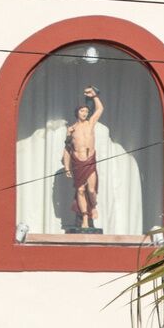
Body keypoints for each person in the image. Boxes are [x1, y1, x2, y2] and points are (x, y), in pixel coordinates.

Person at [61, 87, 105, 234]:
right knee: (80, 190)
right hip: (77, 162)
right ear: (77, 113)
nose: (85, 113)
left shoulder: (91, 123)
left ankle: (93, 206)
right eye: (82, 111)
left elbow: (99, 109)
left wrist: (94, 96)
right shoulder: (72, 129)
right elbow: (67, 149)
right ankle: (85, 217)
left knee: (91, 190)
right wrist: (67, 167)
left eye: (86, 111)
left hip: (90, 160)